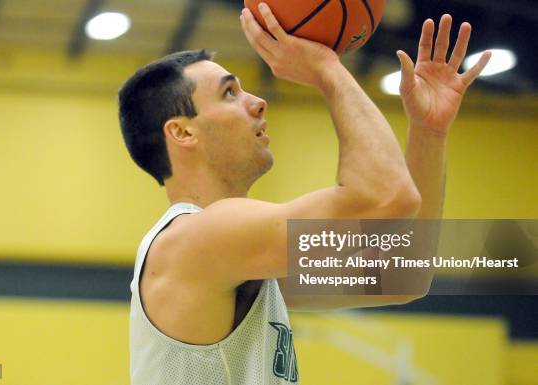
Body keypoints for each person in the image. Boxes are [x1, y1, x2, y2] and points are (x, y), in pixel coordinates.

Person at [118, 3, 491, 384]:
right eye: (229, 93)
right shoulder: (199, 239)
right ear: (182, 132)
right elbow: (386, 199)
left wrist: (429, 134)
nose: (257, 101)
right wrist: (326, 68)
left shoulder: (238, 260)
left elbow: (403, 273)